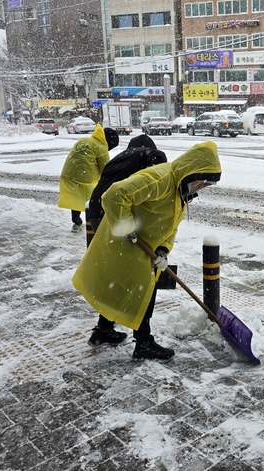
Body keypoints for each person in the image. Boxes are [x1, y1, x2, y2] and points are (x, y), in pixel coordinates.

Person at [72, 140, 222, 361]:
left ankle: (103, 331)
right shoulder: (160, 179)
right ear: (192, 171)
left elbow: (172, 225)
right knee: (143, 291)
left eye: (206, 185)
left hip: (143, 246)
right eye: (202, 181)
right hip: (126, 241)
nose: (201, 187)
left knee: (125, 288)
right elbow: (115, 194)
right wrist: (127, 228)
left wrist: (163, 249)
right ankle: (144, 343)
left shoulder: (181, 189)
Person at [84, 134, 167, 347]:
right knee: (140, 278)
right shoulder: (150, 155)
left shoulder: (120, 158)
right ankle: (143, 342)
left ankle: (103, 328)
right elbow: (160, 177)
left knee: (117, 274)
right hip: (115, 216)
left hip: (96, 213)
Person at [58, 124, 119, 232]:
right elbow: (105, 169)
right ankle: (94, 221)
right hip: (84, 176)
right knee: (94, 197)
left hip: (68, 173)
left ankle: (77, 222)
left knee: (75, 197)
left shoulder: (85, 140)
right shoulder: (101, 147)